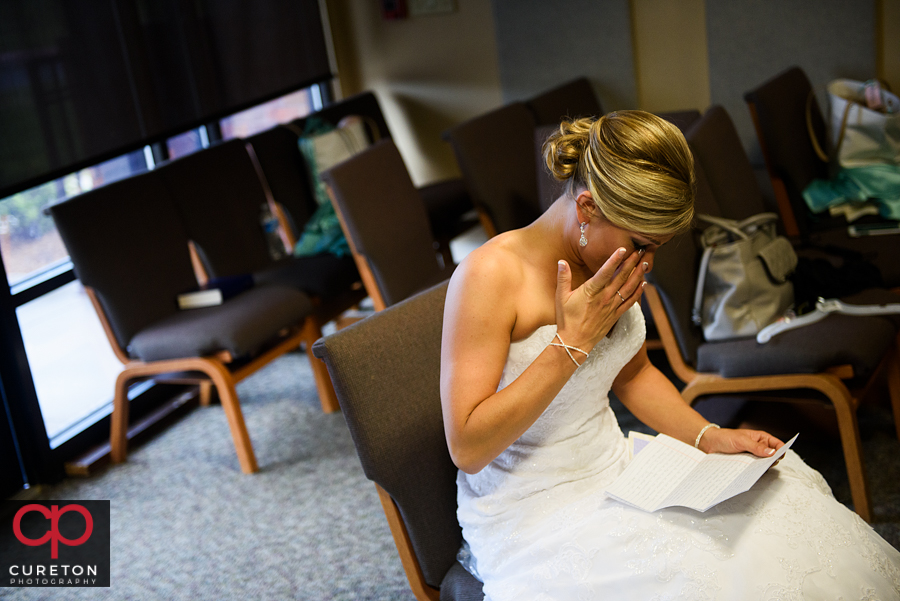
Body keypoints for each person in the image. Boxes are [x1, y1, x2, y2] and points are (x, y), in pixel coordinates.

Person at [440, 110, 900, 600]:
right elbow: (467, 448)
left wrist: (709, 436)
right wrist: (569, 346)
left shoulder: (609, 259)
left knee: (784, 510)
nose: (649, 263)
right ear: (587, 208)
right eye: (641, 244)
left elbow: (633, 373)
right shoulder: (489, 276)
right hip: (533, 508)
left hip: (618, 468)